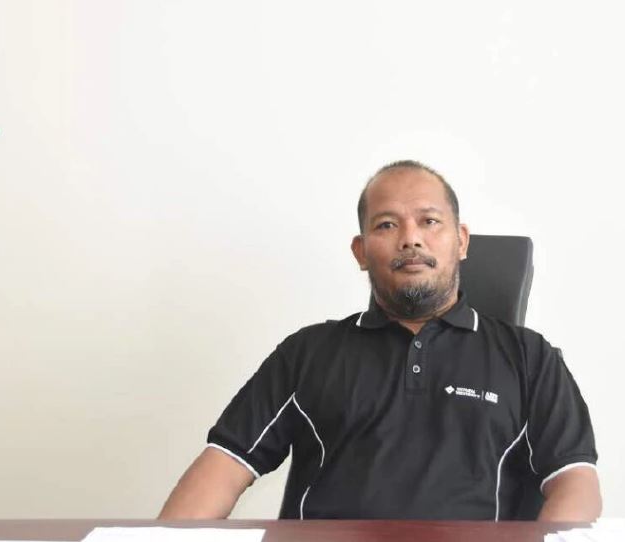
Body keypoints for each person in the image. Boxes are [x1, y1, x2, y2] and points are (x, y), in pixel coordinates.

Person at [158, 160, 601, 521]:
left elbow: (574, 483)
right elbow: (225, 464)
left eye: (430, 221)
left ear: (461, 241)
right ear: (361, 251)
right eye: (387, 225)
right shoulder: (307, 353)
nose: (410, 238)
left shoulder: (529, 358)